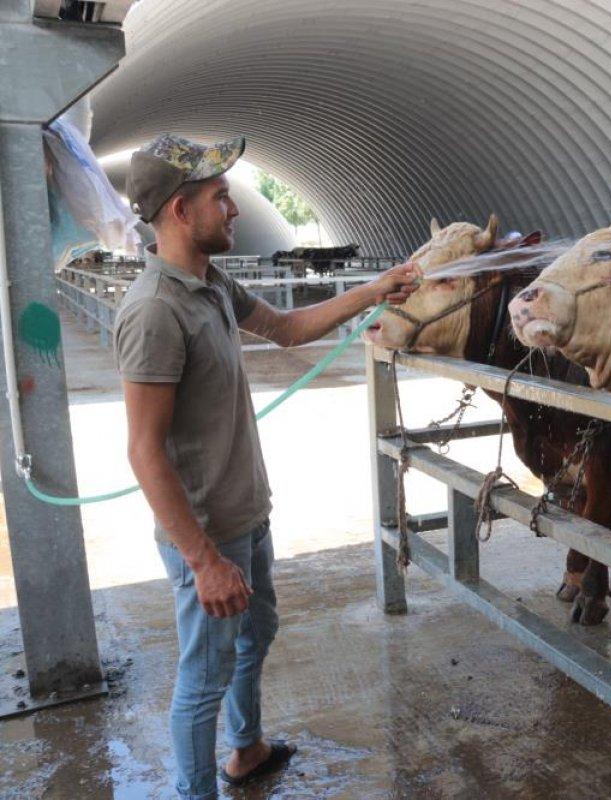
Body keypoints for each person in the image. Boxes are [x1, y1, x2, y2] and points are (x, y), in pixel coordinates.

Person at [114, 134, 417, 800]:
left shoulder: (210, 284)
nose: (235, 210)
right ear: (178, 210)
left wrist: (376, 290)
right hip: (209, 534)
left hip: (245, 515)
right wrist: (202, 560)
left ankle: (246, 749)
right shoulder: (155, 312)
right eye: (220, 197)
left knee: (258, 630)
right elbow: (143, 450)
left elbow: (285, 328)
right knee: (203, 679)